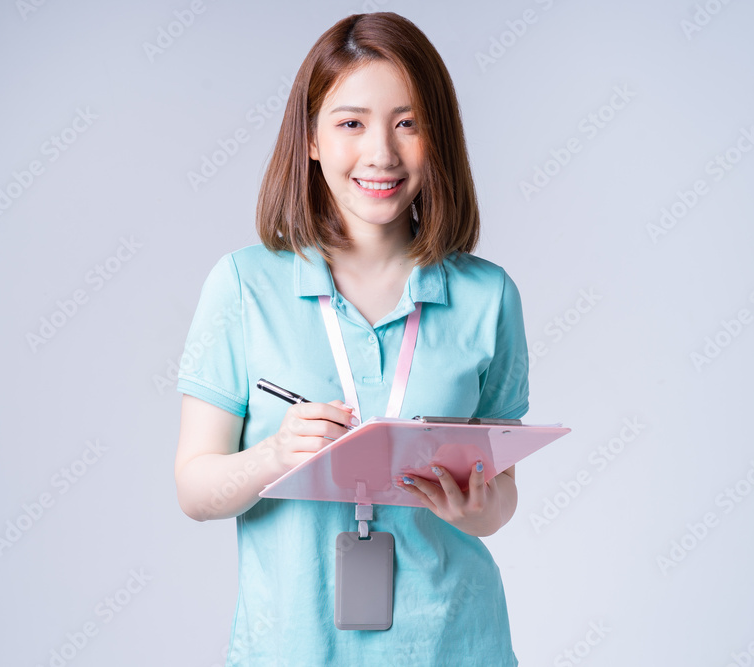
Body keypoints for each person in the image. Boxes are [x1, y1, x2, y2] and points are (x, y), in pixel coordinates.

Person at [174, 11, 528, 666]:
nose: (381, 153)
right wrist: (276, 454)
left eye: (408, 122)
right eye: (351, 123)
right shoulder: (242, 286)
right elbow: (195, 488)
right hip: (292, 648)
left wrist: (477, 507)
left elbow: (500, 493)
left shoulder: (489, 296)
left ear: (437, 138)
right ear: (311, 138)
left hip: (454, 643)